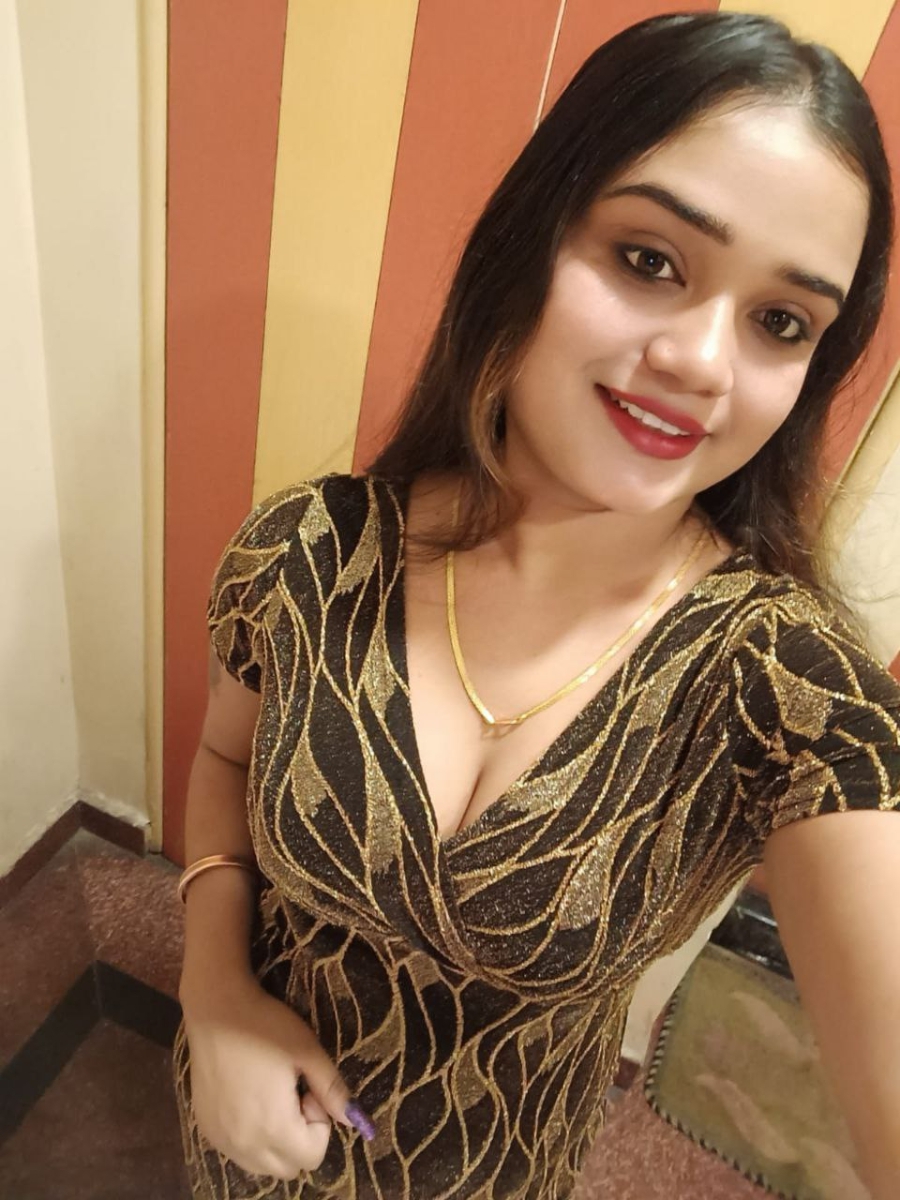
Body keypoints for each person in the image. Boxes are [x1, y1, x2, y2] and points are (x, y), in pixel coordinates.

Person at [173, 12, 900, 1200]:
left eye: (782, 322)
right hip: (243, 1138)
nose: (703, 362)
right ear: (531, 239)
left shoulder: (783, 686)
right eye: (650, 259)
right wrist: (215, 996)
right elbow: (221, 761)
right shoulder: (306, 552)